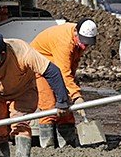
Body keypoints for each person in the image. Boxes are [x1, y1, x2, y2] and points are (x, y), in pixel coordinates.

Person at [0, 32, 71, 157]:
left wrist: (62, 101)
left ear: (2, 55)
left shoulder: (23, 52)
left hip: (23, 92)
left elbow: (52, 71)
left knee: (20, 125)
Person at [31, 19, 97, 148]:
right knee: (49, 105)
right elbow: (63, 72)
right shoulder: (64, 42)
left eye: (87, 43)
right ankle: (48, 145)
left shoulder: (78, 40)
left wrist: (71, 86)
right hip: (40, 66)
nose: (85, 46)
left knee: (65, 104)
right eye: (83, 42)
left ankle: (67, 143)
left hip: (56, 67)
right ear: (76, 32)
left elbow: (71, 65)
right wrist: (76, 96)